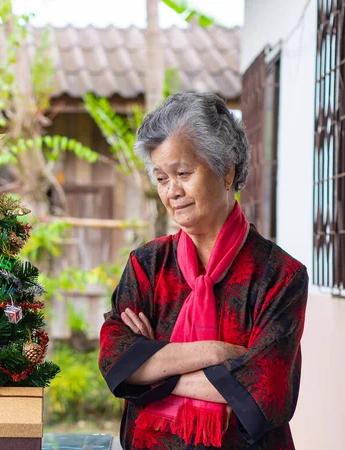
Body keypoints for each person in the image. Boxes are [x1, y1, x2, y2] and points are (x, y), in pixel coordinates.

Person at [99, 93, 308, 450]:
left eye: (183, 173)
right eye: (162, 178)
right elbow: (116, 361)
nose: (172, 191)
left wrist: (156, 365)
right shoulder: (147, 265)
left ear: (226, 171)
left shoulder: (280, 276)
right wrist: (216, 353)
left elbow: (265, 391)